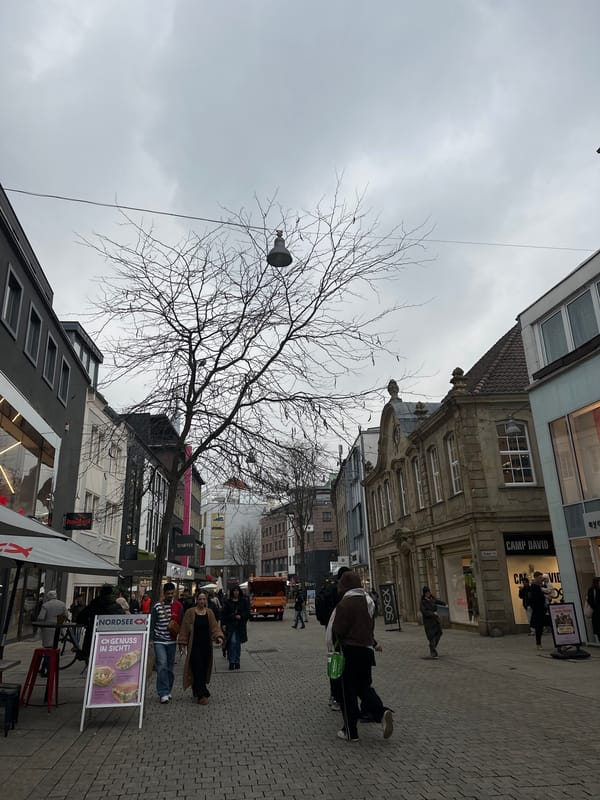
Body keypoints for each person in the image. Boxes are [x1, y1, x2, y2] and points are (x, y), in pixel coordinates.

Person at [329, 571, 393, 743]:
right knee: (364, 687)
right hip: (366, 652)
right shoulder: (369, 601)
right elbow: (369, 628)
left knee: (347, 693)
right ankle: (380, 712)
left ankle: (351, 732)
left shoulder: (344, 604)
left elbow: (338, 630)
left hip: (349, 652)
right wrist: (373, 642)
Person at [177, 590, 223, 704]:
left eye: (204, 599)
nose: (202, 601)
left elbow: (214, 627)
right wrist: (182, 642)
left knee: (204, 668)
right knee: (198, 668)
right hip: (194, 646)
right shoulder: (190, 612)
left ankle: (197, 687)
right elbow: (184, 628)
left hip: (206, 645)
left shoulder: (209, 613)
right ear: (196, 600)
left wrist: (218, 637)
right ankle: (202, 694)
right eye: (200, 599)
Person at [316, 566, 351, 712]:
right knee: (348, 663)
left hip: (331, 632)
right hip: (347, 633)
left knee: (335, 662)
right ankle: (345, 695)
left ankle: (335, 696)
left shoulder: (328, 590)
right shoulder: (346, 593)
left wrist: (326, 622)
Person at [150, 582, 184, 704]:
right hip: (159, 640)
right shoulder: (157, 607)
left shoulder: (178, 606)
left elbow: (182, 623)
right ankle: (163, 692)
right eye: (168, 593)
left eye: (172, 593)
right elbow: (152, 623)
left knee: (170, 668)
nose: (170, 595)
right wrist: (151, 639)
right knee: (162, 666)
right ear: (164, 593)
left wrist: (182, 640)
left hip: (172, 641)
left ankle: (168, 690)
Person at [77, 585, 125, 663]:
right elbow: (122, 619)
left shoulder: (95, 604)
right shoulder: (116, 605)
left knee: (90, 645)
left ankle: (87, 657)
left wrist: (87, 623)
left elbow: (81, 617)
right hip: (111, 638)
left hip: (94, 635)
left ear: (101, 592)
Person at [36, 590, 68, 676]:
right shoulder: (62, 604)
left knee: (48, 649)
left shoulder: (46, 605)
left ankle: (48, 668)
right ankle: (44, 668)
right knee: (53, 648)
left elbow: (41, 617)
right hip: (58, 628)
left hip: (47, 629)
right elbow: (66, 615)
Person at [221, 586, 250, 670]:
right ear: (232, 592)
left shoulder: (243, 601)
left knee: (237, 644)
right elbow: (223, 614)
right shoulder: (228, 602)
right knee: (232, 642)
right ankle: (232, 661)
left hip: (240, 626)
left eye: (237, 591)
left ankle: (237, 661)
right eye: (234, 591)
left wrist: (241, 616)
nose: (236, 592)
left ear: (239, 592)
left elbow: (247, 613)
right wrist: (224, 623)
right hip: (231, 625)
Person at [420, 586, 443, 658]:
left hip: (435, 621)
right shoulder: (423, 602)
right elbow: (424, 612)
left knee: (439, 633)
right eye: (426, 593)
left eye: (429, 592)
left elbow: (438, 602)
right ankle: (433, 652)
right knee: (431, 637)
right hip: (428, 623)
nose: (428, 594)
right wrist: (433, 614)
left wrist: (445, 604)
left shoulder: (432, 599)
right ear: (424, 593)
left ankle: (432, 647)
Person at [527, 571, 546, 650]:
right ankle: (538, 643)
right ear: (536, 578)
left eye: (541, 578)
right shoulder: (533, 587)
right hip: (538, 610)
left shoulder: (541, 586)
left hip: (543, 609)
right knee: (539, 627)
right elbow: (532, 599)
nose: (541, 579)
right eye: (539, 578)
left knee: (540, 627)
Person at [587, 577, 600, 642]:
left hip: (596, 610)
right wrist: (594, 607)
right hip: (595, 611)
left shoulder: (594, 590)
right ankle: (597, 640)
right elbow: (589, 600)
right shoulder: (591, 590)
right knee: (596, 626)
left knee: (596, 626)